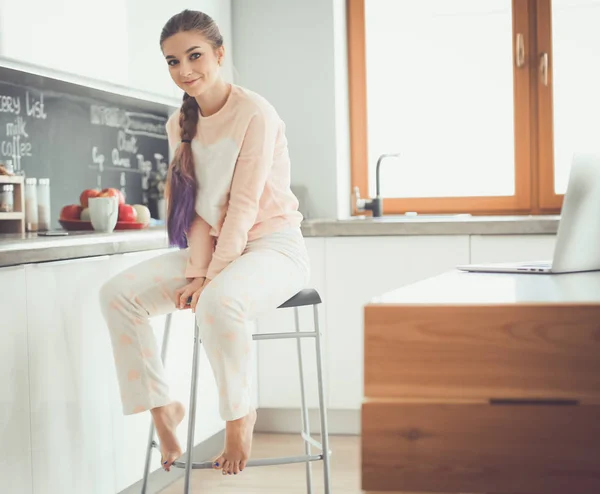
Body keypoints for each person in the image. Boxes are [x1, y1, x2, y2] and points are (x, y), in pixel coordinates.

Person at [99, 9, 309, 477]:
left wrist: (209, 279)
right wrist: (198, 270)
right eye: (172, 62)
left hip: (274, 246)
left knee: (216, 303)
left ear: (219, 53)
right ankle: (161, 407)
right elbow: (191, 207)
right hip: (213, 249)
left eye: (194, 56)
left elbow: (245, 205)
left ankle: (239, 416)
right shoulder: (180, 124)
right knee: (116, 296)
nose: (185, 70)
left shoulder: (256, 112)